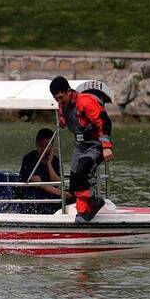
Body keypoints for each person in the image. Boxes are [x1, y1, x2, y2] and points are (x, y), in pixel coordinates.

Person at [50, 76, 114, 224]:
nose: (59, 101)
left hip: (95, 144)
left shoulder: (85, 102)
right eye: (56, 98)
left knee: (82, 171)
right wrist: (63, 122)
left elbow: (104, 122)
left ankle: (84, 212)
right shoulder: (62, 105)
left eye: (60, 97)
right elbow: (68, 119)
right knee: (74, 181)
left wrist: (106, 147)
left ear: (68, 91)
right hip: (80, 145)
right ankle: (93, 202)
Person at [19, 128, 71, 214]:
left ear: (51, 146)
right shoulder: (29, 158)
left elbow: (56, 181)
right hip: (32, 193)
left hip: (49, 193)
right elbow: (38, 183)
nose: (43, 149)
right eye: (40, 145)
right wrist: (59, 192)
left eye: (46, 145)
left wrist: (49, 164)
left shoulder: (55, 160)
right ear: (36, 144)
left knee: (70, 197)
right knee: (46, 198)